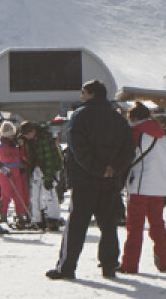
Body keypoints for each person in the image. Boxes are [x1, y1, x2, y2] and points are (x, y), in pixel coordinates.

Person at [47, 79, 135, 280]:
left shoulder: (80, 116)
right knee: (109, 225)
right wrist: (114, 168)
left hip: (84, 181)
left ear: (92, 94)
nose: (81, 96)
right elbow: (129, 149)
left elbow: (78, 148)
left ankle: (67, 267)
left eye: (83, 92)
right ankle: (109, 265)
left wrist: (97, 168)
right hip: (110, 182)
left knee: (77, 225)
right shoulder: (117, 118)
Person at [118, 102, 166, 274]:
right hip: (160, 185)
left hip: (140, 185)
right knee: (157, 224)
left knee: (135, 226)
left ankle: (130, 264)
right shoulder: (162, 136)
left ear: (134, 118)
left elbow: (127, 155)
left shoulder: (135, 132)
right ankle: (165, 260)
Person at [19, 120, 64, 231]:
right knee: (35, 195)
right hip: (36, 168)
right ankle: (37, 219)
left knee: (49, 194)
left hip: (48, 167)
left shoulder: (45, 138)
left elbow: (50, 158)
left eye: (28, 134)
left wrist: (49, 176)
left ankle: (53, 219)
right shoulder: (28, 141)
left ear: (33, 131)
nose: (27, 137)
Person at [0, 120, 31, 227]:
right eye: (11, 135)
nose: (12, 137)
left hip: (16, 172)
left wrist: (22, 164)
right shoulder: (1, 145)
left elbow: (19, 156)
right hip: (6, 172)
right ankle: (3, 214)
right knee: (6, 194)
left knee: (18, 194)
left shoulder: (14, 145)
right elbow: (6, 158)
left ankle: (20, 214)